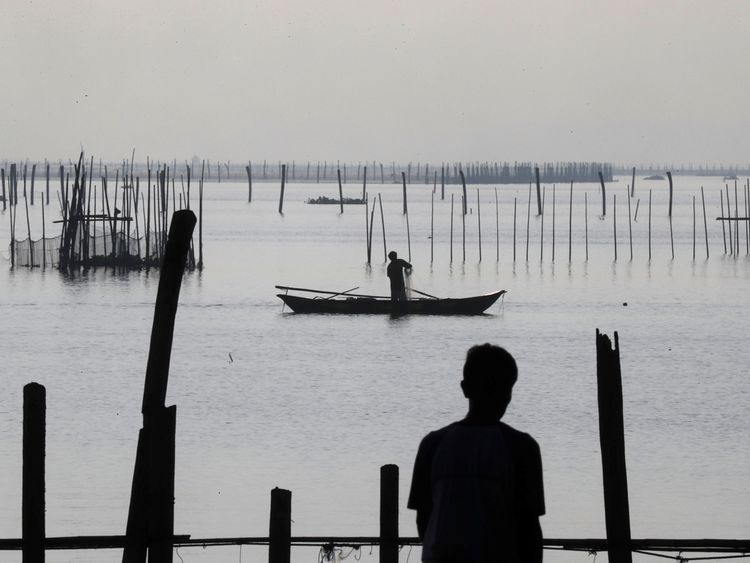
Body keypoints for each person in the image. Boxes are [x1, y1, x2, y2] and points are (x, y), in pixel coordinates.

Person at [407, 344, 545, 563]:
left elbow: (424, 519)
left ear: (465, 388)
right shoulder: (522, 447)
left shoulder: (433, 444)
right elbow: (529, 530)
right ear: (509, 391)